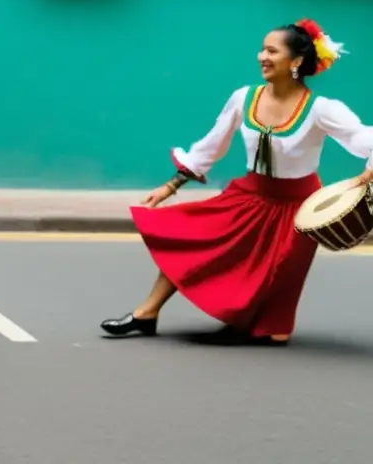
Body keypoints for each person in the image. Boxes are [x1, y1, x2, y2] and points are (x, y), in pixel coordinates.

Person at [101, 19, 373, 345]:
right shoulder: (244, 98)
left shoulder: (321, 109)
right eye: (262, 49)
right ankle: (146, 313)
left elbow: (363, 138)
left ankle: (252, 322)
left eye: (272, 51)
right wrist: (171, 185)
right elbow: (211, 144)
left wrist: (367, 174)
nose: (262, 56)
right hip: (250, 193)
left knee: (274, 319)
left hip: (299, 208)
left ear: (296, 61)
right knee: (193, 238)